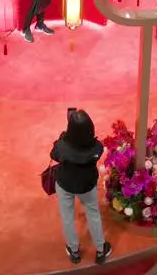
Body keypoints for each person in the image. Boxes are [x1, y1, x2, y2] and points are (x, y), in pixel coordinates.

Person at [50, 109, 111, 265]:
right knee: (93, 214)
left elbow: (54, 155)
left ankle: (74, 250)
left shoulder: (62, 145)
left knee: (67, 216)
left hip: (65, 184)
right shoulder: (97, 147)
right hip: (87, 185)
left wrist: (63, 137)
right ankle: (100, 250)